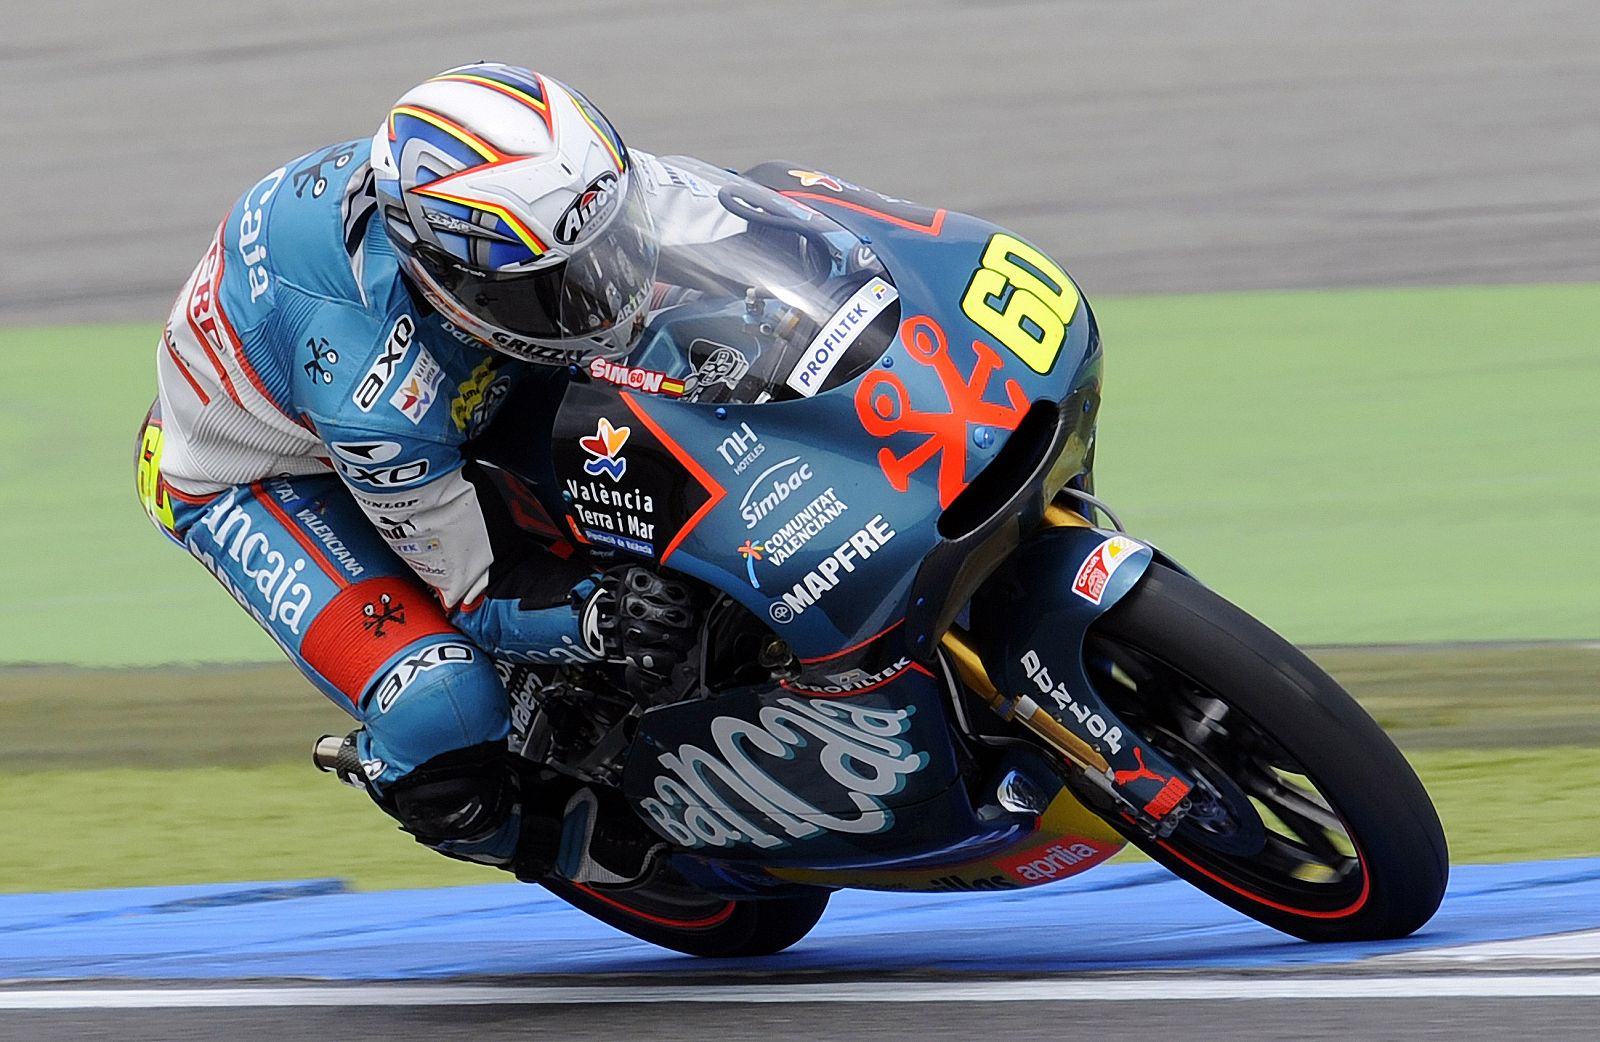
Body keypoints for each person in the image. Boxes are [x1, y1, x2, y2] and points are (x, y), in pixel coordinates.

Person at [134, 63, 699, 886]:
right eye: (556, 290)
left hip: (438, 378)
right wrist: (598, 618)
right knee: (441, 700)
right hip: (261, 476)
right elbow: (477, 593)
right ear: (451, 278)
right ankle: (518, 829)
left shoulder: (504, 193)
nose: (599, 298)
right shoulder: (375, 394)